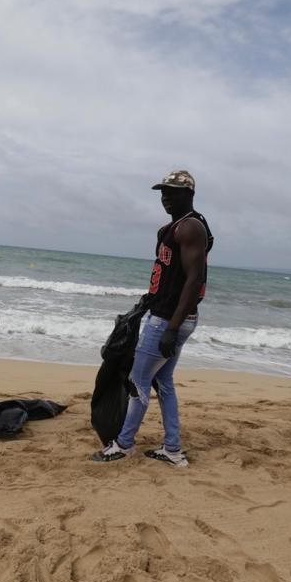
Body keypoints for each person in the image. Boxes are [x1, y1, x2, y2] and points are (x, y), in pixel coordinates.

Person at [92, 170, 212, 467]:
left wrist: (171, 327)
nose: (166, 197)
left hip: (168, 321)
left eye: (173, 192)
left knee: (138, 380)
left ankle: (123, 444)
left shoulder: (190, 228)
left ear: (189, 195)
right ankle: (173, 449)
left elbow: (194, 279)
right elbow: (172, 276)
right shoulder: (173, 229)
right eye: (163, 192)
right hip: (168, 316)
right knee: (164, 381)